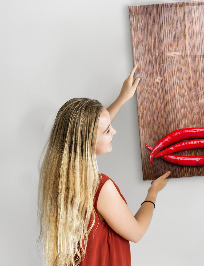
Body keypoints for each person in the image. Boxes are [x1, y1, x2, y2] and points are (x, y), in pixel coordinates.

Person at [38, 65, 170, 266]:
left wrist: (122, 98)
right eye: (108, 131)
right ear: (88, 141)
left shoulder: (59, 176)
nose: (114, 132)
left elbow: (90, 130)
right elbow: (136, 232)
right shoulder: (100, 188)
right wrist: (153, 193)